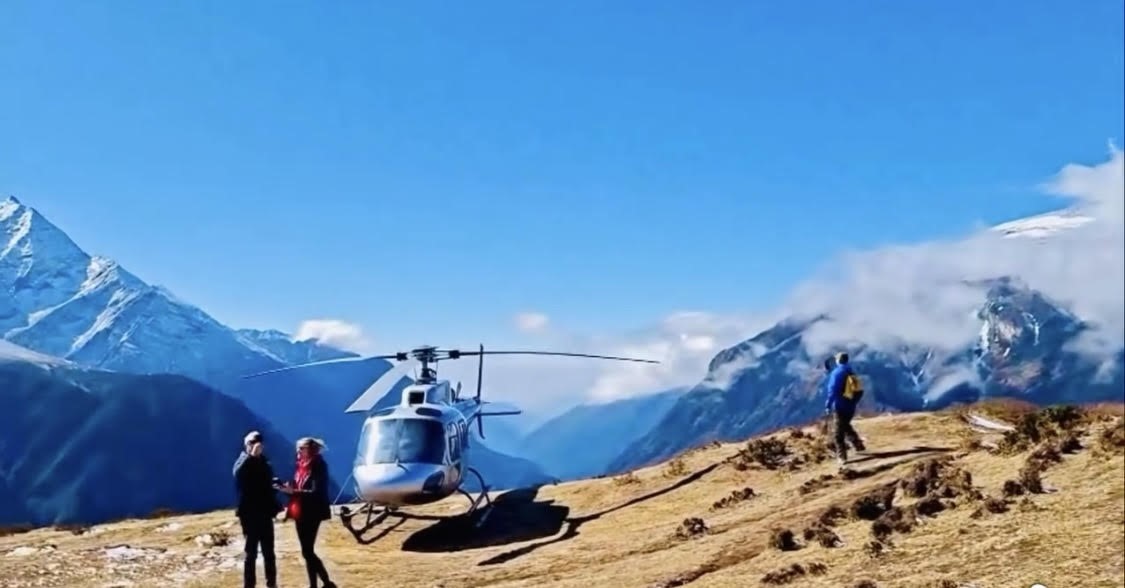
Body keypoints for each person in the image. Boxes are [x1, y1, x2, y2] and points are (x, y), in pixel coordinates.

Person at [278, 437, 336, 588]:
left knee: (307, 551)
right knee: (307, 551)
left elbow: (316, 492)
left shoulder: (318, 465)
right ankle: (316, 584)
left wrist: (294, 491)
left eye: (300, 448)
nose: (297, 451)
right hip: (300, 511)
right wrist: (288, 489)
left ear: (309, 450)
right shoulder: (301, 466)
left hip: (313, 512)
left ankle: (327, 583)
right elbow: (300, 487)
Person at [233, 430, 282, 588]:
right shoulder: (242, 460)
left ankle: (271, 584)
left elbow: (266, 482)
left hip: (265, 512)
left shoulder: (264, 462)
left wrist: (275, 485)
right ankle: (249, 585)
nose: (256, 446)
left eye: (259, 443)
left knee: (269, 552)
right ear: (247, 445)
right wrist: (251, 456)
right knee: (251, 552)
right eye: (252, 443)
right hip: (249, 514)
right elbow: (238, 475)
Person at [824, 352, 867, 465]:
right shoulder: (850, 371)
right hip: (851, 405)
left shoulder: (837, 373)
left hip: (840, 405)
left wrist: (828, 405)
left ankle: (842, 457)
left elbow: (832, 391)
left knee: (838, 434)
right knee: (845, 425)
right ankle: (858, 444)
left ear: (838, 360)